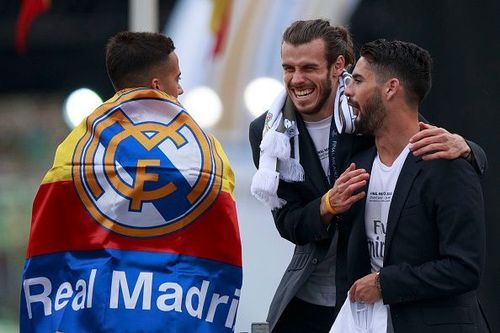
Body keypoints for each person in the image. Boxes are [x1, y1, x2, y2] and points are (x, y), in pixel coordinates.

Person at [248, 19, 487, 333]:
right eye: (288, 68)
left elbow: (412, 131)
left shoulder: (366, 118)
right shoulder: (267, 134)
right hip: (321, 293)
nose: (296, 79)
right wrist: (326, 205)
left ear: (337, 67)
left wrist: (468, 150)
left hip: (380, 297)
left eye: (308, 68)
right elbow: (288, 222)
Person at [20, 32, 242, 332]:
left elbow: (54, 232)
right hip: (175, 308)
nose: (180, 88)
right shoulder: (201, 149)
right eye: (176, 78)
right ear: (157, 85)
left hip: (99, 310)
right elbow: (219, 229)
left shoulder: (77, 144)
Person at [336, 39, 489, 332]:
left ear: (391, 88)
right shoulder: (357, 165)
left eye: (357, 80)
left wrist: (384, 283)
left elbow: (464, 268)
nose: (348, 90)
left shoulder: (448, 164)